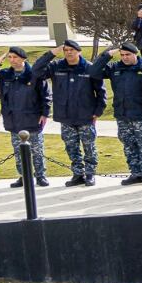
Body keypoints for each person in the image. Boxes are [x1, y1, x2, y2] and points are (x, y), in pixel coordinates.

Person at [33, 39, 106, 186]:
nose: (68, 53)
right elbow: (36, 71)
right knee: (71, 147)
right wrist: (51, 53)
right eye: (65, 50)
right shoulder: (56, 66)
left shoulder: (89, 68)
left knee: (89, 147)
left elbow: (101, 92)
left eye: (72, 50)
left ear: (79, 51)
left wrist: (97, 112)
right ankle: (78, 174)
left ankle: (90, 174)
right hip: (65, 116)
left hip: (86, 115)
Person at [94, 42, 142, 186]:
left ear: (135, 54)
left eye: (128, 55)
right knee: (129, 146)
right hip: (123, 114)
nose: (125, 58)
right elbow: (94, 71)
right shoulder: (115, 67)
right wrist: (108, 54)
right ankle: (135, 173)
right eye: (122, 55)